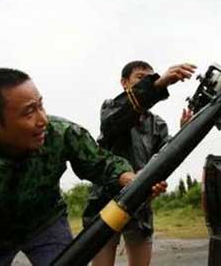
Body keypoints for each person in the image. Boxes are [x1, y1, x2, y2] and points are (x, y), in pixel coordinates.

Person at [0, 68, 167, 266]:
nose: (42, 119)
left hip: (46, 223)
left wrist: (130, 179)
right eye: (29, 113)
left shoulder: (61, 133)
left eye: (40, 105)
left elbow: (101, 162)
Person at [82, 61, 196, 266]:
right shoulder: (111, 107)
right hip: (105, 200)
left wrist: (183, 133)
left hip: (139, 206)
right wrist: (157, 85)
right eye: (141, 78)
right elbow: (115, 122)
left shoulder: (158, 124)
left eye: (150, 77)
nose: (147, 81)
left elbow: (164, 159)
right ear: (124, 83)